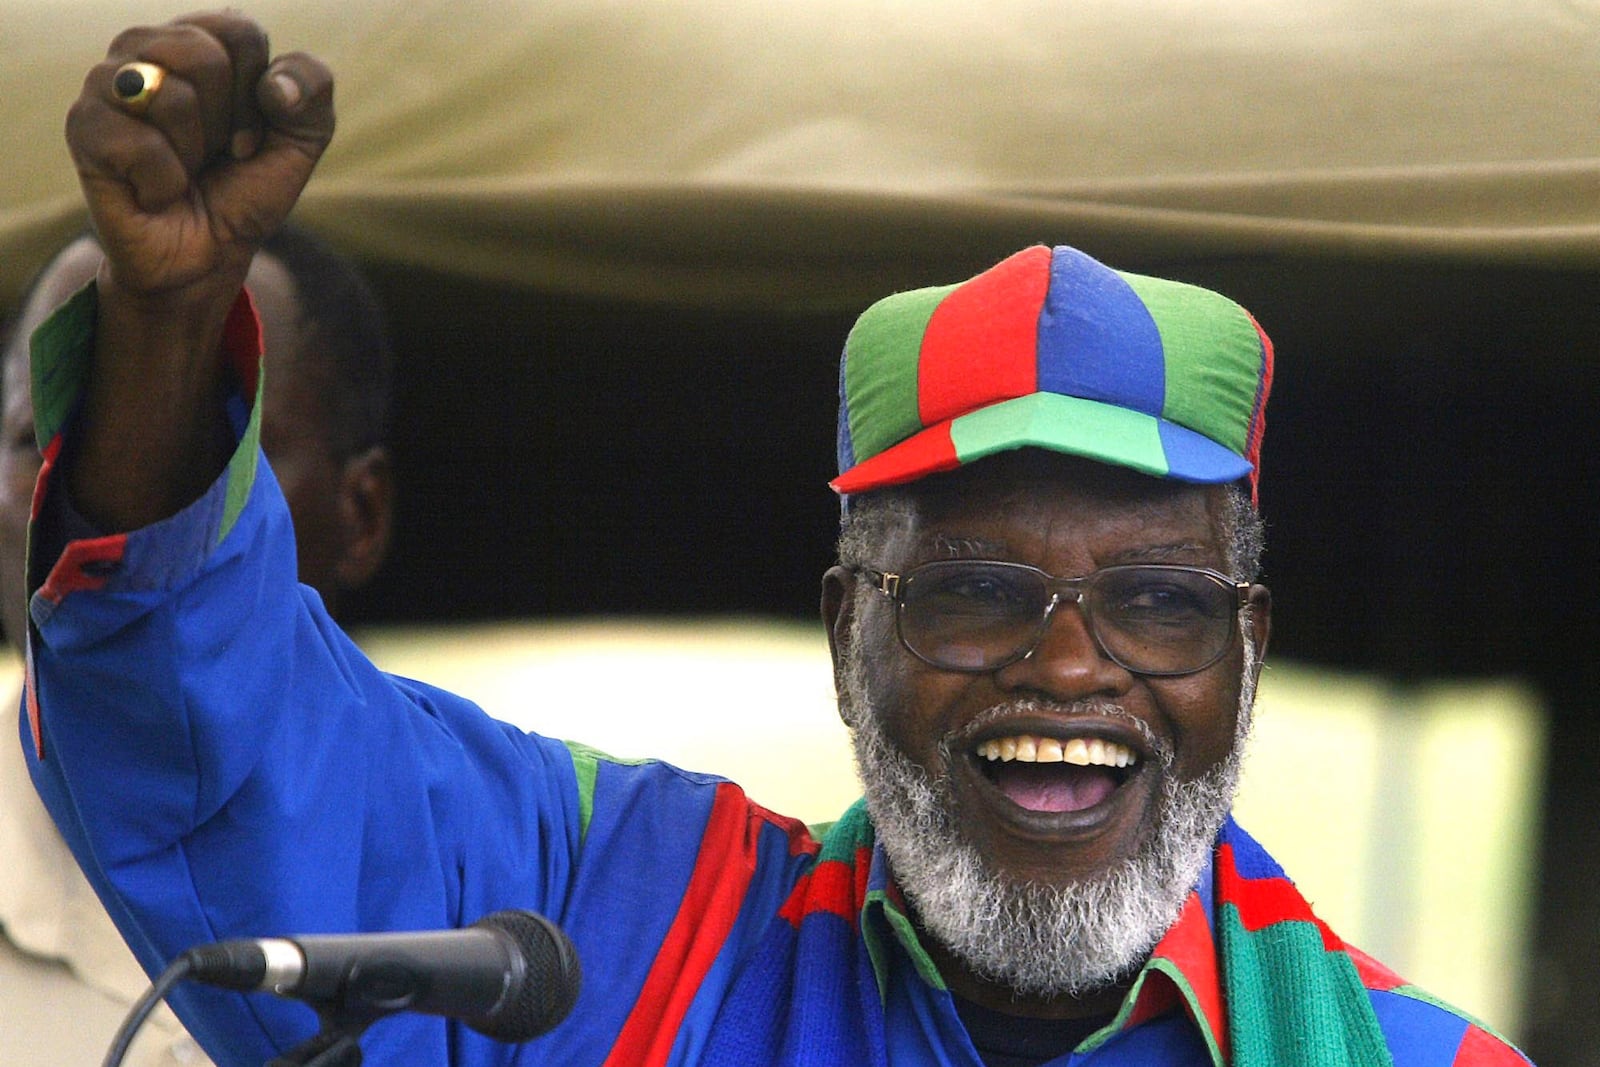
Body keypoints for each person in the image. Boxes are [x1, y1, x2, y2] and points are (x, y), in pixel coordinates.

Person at [19, 11, 1531, 1067]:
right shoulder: (622, 923)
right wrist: (161, 327)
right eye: (977, 589)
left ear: (1248, 651)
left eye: (1158, 598)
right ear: (845, 630)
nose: (1070, 664)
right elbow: (232, 751)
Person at [0, 224, 396, 1066]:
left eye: (204, 455)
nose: (111, 509)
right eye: (43, 441)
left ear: (360, 514)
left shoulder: (502, 907)